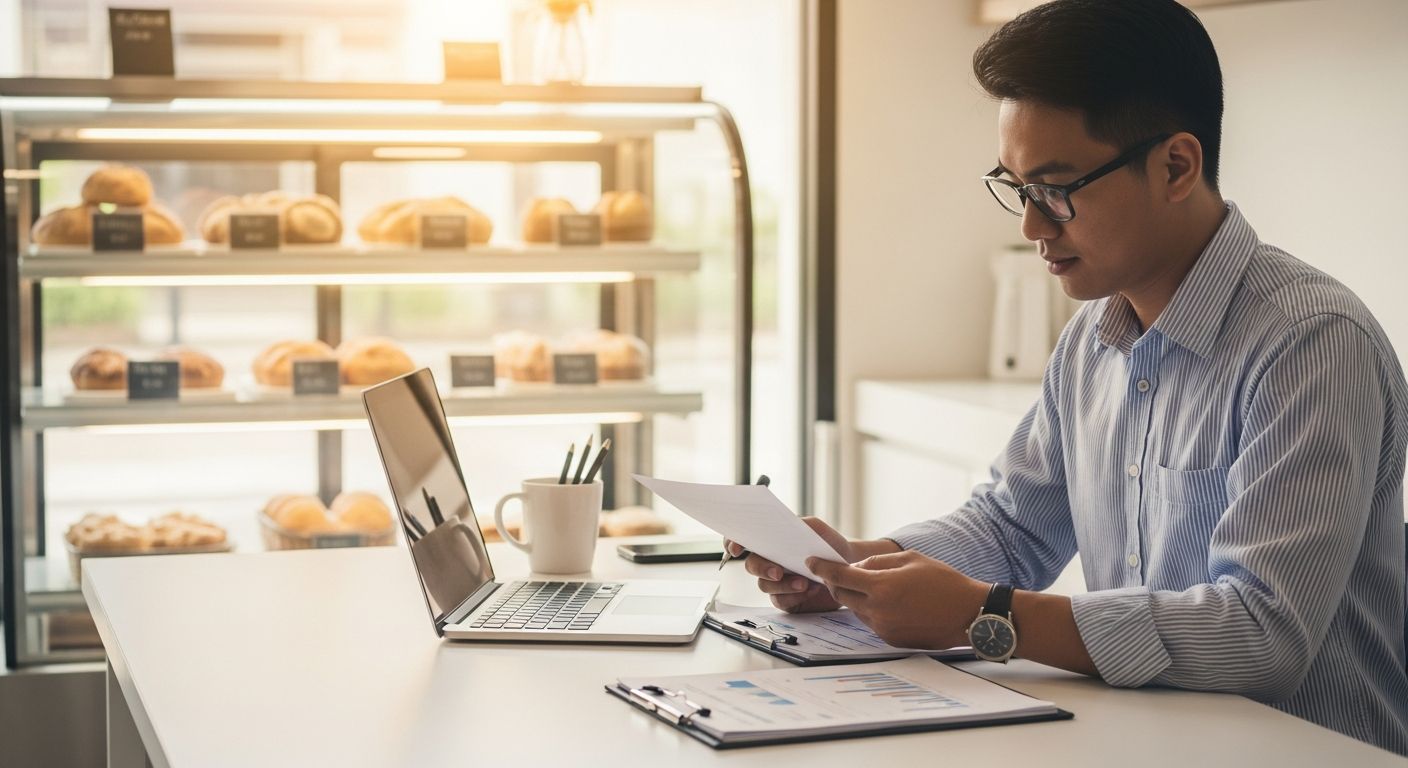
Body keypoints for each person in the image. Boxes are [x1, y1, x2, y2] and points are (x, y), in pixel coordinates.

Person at [733, 0, 1408, 755]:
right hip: (1146, 738)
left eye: (1056, 189)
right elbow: (1012, 527)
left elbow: (1261, 634)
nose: (1030, 226)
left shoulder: (1311, 344)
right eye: (1016, 187)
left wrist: (983, 616)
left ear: (1176, 166)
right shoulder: (1093, 334)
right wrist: (857, 571)